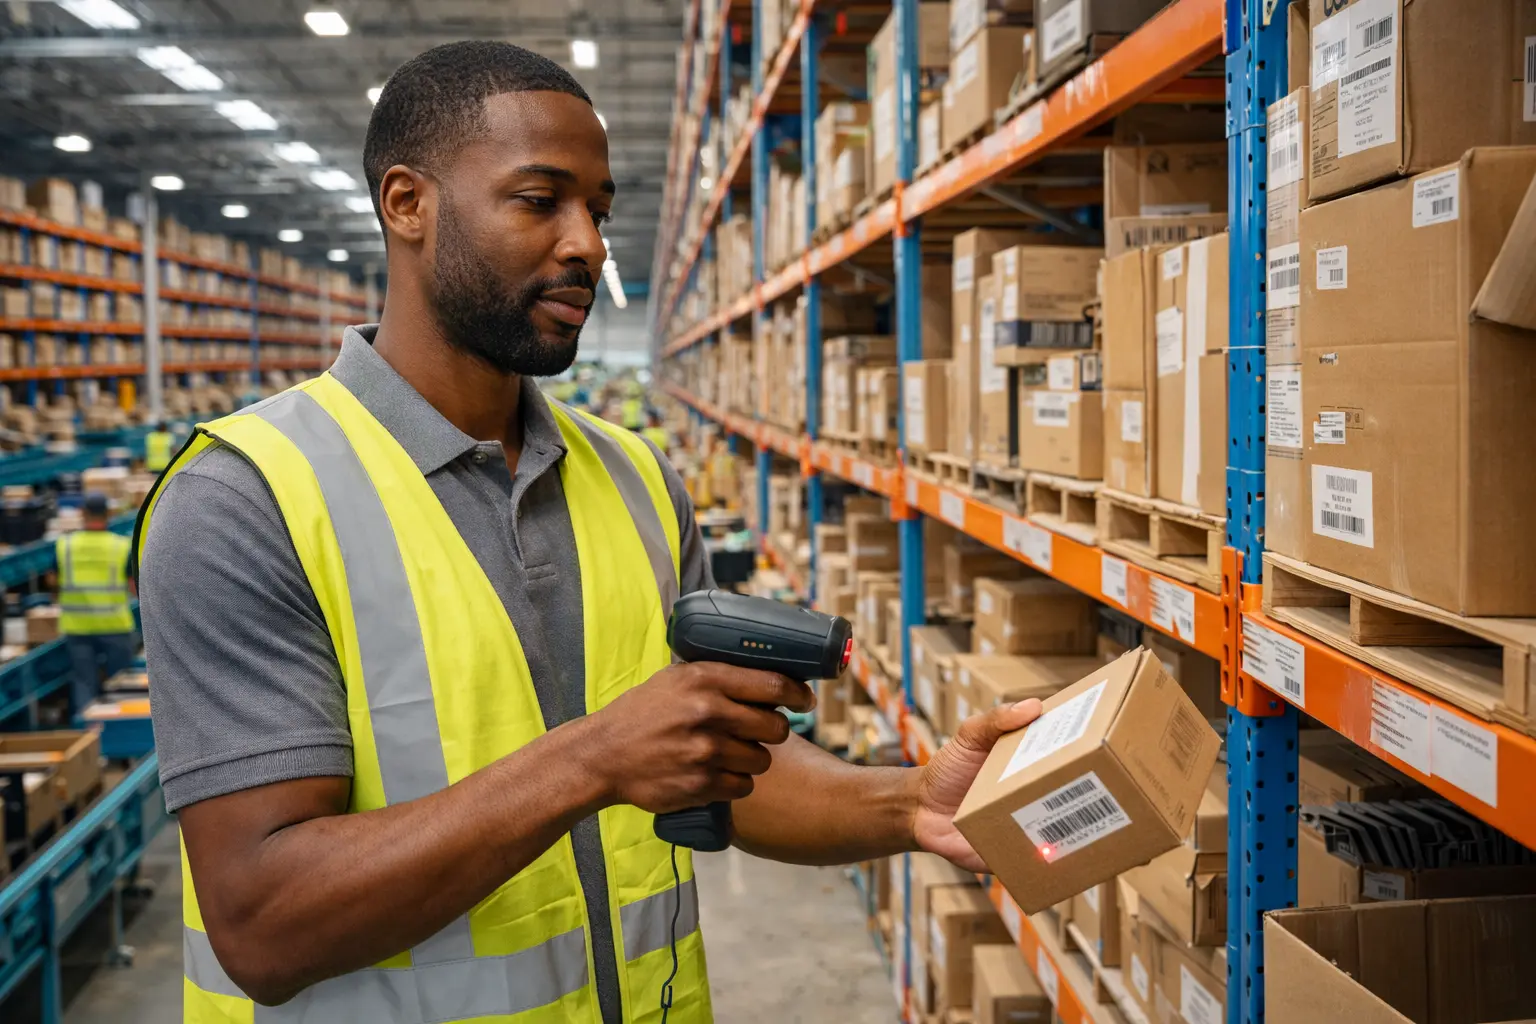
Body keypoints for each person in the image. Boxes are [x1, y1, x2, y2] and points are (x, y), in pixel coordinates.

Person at [136, 41, 1041, 1024]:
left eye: (599, 212)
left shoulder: (635, 477)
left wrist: (908, 802)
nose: (589, 246)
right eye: (540, 201)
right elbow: (264, 924)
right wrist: (594, 759)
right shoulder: (248, 499)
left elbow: (714, 764)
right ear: (407, 204)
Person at [58, 492, 135, 718]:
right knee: (121, 685)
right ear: (108, 514)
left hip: (78, 627)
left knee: (84, 683)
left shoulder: (65, 545)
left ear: (83, 513)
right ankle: (120, 731)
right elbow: (134, 586)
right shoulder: (121, 546)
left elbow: (53, 579)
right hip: (115, 625)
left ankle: (89, 731)